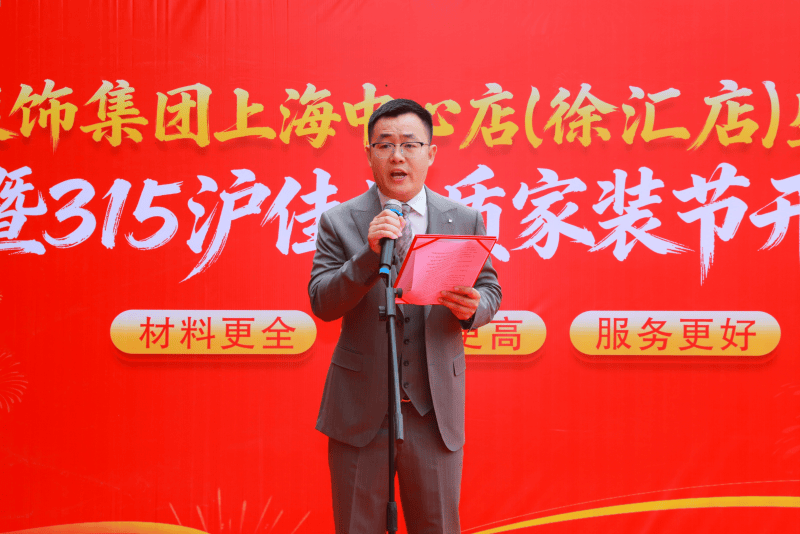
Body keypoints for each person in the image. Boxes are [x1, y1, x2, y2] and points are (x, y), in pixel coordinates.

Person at [308, 98, 502, 534]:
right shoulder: (339, 220)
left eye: (410, 144)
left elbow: (490, 289)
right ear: (369, 154)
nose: (397, 156)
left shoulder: (463, 218)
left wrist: (475, 309)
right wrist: (366, 256)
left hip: (432, 414)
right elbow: (322, 301)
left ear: (430, 153)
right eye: (385, 145)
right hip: (360, 413)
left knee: (437, 526)